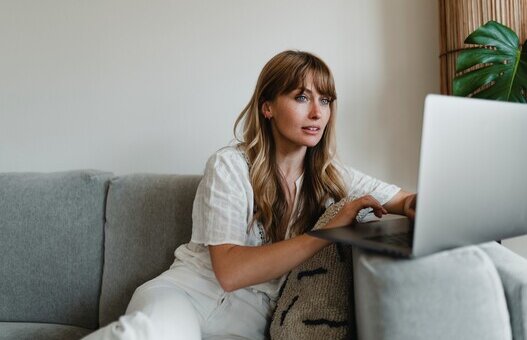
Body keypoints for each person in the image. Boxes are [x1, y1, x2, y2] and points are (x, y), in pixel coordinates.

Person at [83, 50, 416, 340]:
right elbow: (231, 272)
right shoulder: (229, 166)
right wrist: (324, 236)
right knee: (150, 335)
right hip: (186, 295)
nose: (317, 112)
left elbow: (401, 199)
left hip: (249, 323)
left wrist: (420, 205)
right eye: (302, 97)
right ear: (267, 107)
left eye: (325, 100)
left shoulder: (331, 175)